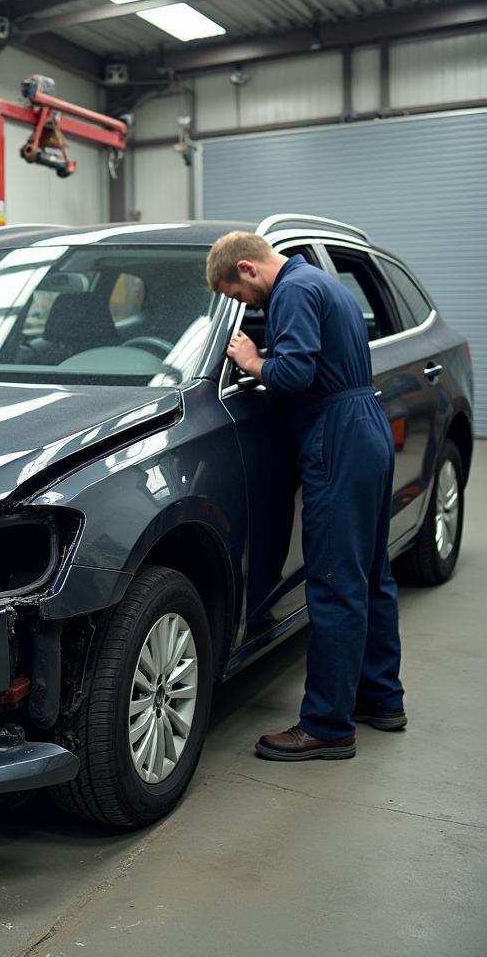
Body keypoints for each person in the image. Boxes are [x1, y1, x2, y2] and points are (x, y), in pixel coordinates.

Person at [206, 232, 406, 761]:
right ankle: (381, 698)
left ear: (247, 269)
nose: (240, 305)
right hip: (366, 424)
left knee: (336, 581)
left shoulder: (292, 291)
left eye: (235, 294)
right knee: (371, 574)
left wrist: (251, 359)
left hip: (336, 434)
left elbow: (294, 373)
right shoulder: (321, 281)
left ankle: (326, 726)